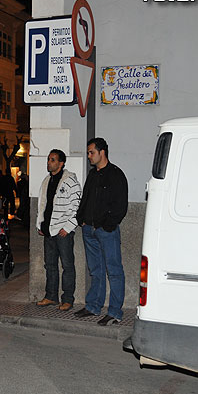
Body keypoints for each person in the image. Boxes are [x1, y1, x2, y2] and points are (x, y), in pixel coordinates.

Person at [74, 138, 128, 326]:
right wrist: (81, 219)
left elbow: (121, 205)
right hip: (89, 229)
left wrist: (108, 225)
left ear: (102, 152)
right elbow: (85, 198)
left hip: (106, 231)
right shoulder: (92, 175)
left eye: (91, 152)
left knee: (114, 271)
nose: (89, 156)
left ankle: (114, 312)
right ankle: (93, 306)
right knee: (95, 270)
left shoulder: (115, 174)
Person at [36, 149, 81, 311]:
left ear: (61, 163)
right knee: (50, 265)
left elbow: (77, 206)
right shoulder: (46, 180)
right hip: (48, 231)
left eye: (53, 160)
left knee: (67, 266)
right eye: (48, 159)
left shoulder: (70, 181)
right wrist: (40, 224)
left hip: (63, 232)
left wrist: (68, 227)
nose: (49, 162)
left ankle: (68, 299)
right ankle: (51, 296)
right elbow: (43, 205)